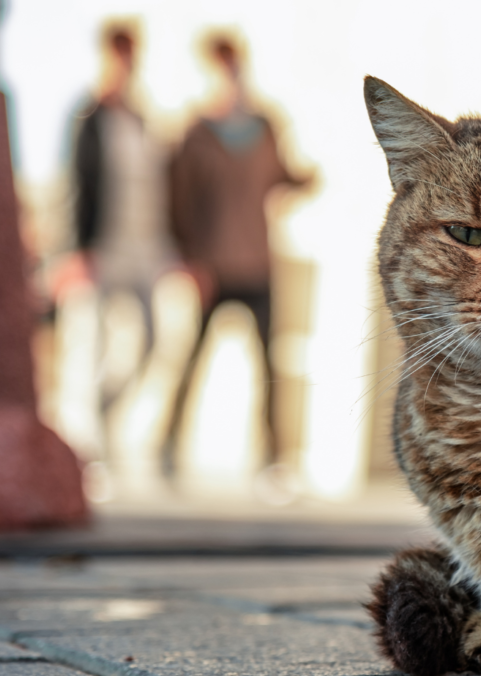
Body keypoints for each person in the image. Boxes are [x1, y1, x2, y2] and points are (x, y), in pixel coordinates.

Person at [167, 33, 312, 468]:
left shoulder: (265, 126)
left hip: (257, 264)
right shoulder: (195, 135)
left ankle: (272, 458)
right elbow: (180, 203)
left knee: (268, 366)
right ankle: (169, 446)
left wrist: (308, 179)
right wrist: (191, 260)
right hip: (214, 267)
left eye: (234, 65)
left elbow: (281, 175)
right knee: (191, 359)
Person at [70, 22, 176, 426]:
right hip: (103, 249)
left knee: (152, 341)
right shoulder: (90, 116)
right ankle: (90, 440)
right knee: (93, 345)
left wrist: (169, 247)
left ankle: (104, 411)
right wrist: (78, 249)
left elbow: (158, 188)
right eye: (119, 52)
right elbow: (78, 184)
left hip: (145, 250)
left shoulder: (142, 119)